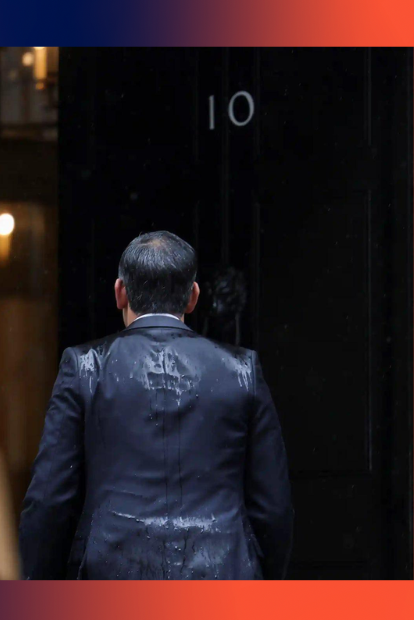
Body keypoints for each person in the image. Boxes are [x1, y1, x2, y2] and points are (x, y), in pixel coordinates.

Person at [19, 231, 293, 579]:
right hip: (222, 575)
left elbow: (49, 500)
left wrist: (37, 584)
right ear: (193, 297)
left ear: (120, 292)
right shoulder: (242, 370)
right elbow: (273, 508)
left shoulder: (85, 367)